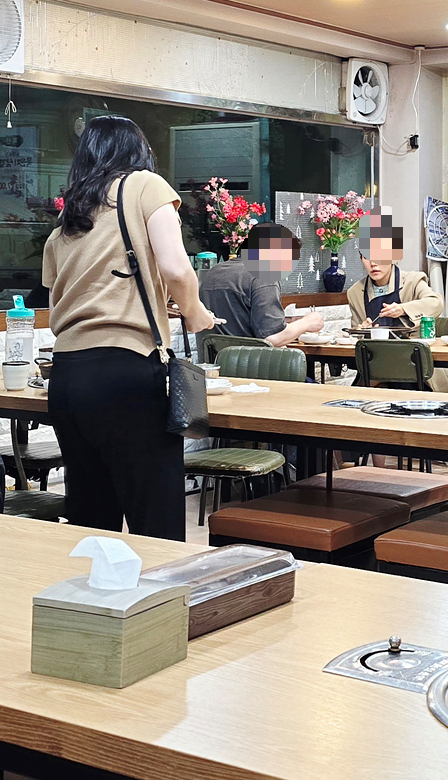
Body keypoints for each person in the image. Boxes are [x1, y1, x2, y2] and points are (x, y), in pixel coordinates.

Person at [43, 115, 216, 540]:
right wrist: (195, 314)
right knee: (155, 518)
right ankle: (161, 586)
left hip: (66, 376)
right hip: (126, 371)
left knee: (90, 519)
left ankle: (92, 585)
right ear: (137, 151)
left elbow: (66, 299)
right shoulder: (144, 185)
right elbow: (176, 268)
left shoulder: (67, 223)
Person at [197, 222, 325, 346]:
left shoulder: (213, 272)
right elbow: (272, 338)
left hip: (213, 359)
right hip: (248, 360)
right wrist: (307, 322)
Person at [345, 213, 442, 328]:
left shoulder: (412, 281)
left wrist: (403, 309)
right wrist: (363, 330)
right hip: (375, 340)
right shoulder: (355, 292)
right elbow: (355, 332)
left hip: (410, 340)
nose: (373, 263)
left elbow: (436, 303)